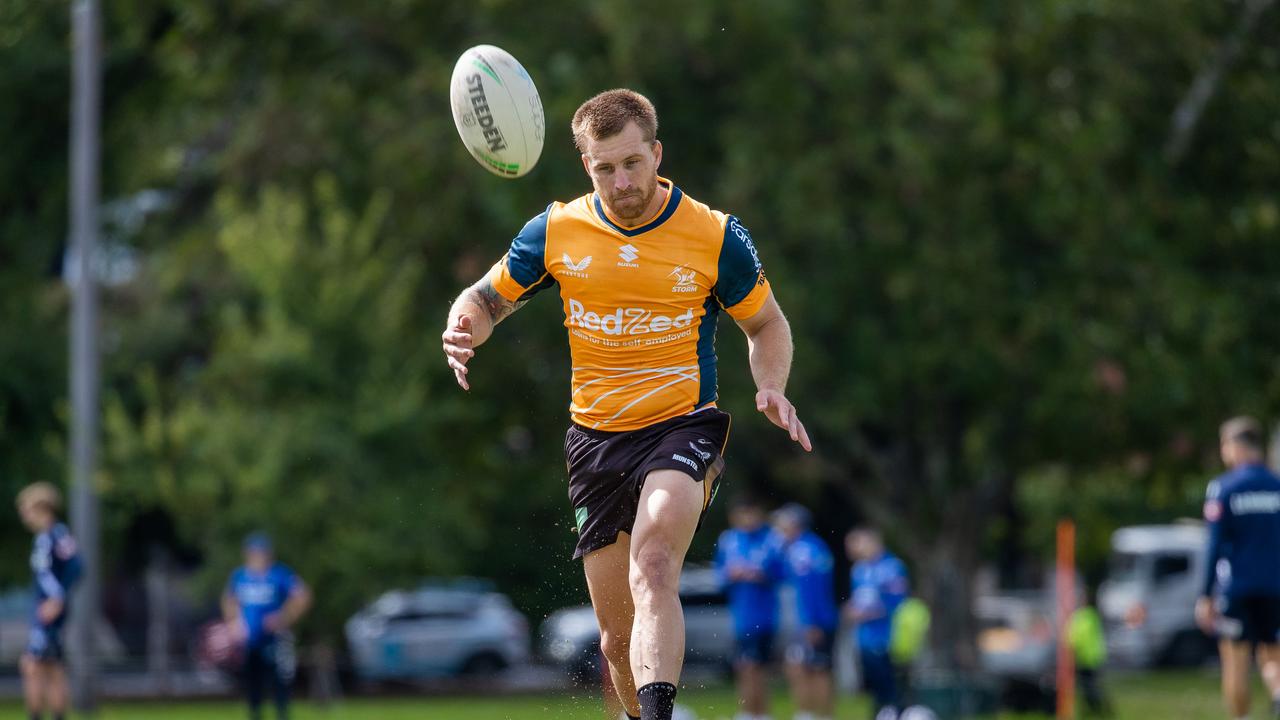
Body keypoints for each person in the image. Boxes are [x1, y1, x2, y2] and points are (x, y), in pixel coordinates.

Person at [441, 88, 811, 720]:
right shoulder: (556, 231)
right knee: (614, 640)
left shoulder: (713, 235)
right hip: (594, 441)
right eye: (605, 168)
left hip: (682, 427)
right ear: (586, 166)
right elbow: (486, 297)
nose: (621, 181)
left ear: (656, 153)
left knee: (656, 563)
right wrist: (464, 328)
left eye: (632, 163)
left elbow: (767, 325)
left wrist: (770, 385)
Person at [1194, 416, 1280, 720]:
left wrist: (1205, 595)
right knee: (1272, 657)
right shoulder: (1277, 486)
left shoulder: (1224, 488)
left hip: (1238, 588)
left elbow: (1213, 546)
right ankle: (1278, 692)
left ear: (1234, 446)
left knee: (1236, 662)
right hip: (1275, 587)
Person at [223, 533, 312, 720]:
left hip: (275, 639)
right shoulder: (240, 576)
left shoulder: (280, 574)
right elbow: (229, 600)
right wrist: (234, 623)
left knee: (279, 682)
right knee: (252, 682)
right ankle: (255, 714)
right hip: (250, 641)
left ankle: (282, 715)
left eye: (260, 552)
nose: (257, 557)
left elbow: (303, 596)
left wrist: (284, 617)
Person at [716, 496, 785, 720]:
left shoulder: (771, 539)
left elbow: (782, 572)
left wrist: (761, 575)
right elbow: (720, 576)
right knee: (745, 666)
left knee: (758, 667)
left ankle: (760, 712)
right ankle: (748, 712)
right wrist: (732, 574)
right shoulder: (729, 540)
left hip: (765, 615)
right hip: (741, 616)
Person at [16, 482, 81, 720]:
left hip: (47, 613)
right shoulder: (48, 537)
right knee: (52, 668)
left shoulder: (54, 535)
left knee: (31, 666)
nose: (24, 514)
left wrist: (57, 599)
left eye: (26, 508)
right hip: (46, 611)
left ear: (41, 508)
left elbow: (76, 566)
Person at [773, 504, 837, 720]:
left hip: (812, 621)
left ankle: (814, 714)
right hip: (808, 620)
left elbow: (812, 589)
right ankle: (812, 714)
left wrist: (812, 622)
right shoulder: (805, 547)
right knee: (801, 666)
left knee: (814, 669)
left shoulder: (804, 551)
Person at [846, 527, 909, 719]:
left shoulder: (892, 567)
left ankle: (896, 713)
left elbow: (898, 602)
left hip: (885, 635)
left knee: (888, 683)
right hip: (864, 636)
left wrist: (869, 614)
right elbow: (859, 599)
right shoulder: (859, 569)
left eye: (858, 542)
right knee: (873, 684)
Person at [1066, 589, 1112, 718]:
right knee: (1091, 687)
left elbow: (1077, 637)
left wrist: (1071, 646)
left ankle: (1097, 710)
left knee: (1090, 688)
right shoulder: (1091, 616)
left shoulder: (1084, 617)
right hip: (1091, 657)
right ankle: (1096, 711)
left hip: (1086, 658)